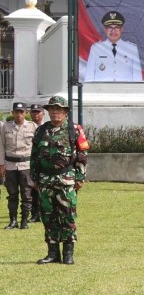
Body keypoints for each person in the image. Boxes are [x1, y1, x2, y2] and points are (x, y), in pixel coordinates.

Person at [30, 96, 89, 265]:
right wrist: (34, 177)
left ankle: (68, 253)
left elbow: (82, 155)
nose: (55, 112)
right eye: (52, 109)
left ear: (65, 112)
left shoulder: (74, 130)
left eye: (58, 109)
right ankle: (52, 253)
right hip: (45, 180)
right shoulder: (41, 131)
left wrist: (80, 176)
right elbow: (34, 156)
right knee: (48, 217)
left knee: (67, 216)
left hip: (66, 179)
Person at [0, 102, 38, 229]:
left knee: (27, 194)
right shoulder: (6, 126)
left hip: (26, 165)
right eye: (16, 112)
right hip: (10, 165)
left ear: (26, 113)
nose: (18, 114)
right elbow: (2, 147)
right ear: (12, 113)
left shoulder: (32, 127)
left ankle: (24, 221)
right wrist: (1, 164)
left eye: (21, 112)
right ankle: (13, 221)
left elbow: (37, 148)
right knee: (12, 194)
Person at [83, 11, 143, 82]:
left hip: (125, 92)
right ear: (105, 30)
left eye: (117, 28)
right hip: (102, 92)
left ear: (122, 29)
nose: (113, 31)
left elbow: (137, 78)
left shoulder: (132, 48)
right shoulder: (96, 49)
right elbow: (89, 77)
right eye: (109, 28)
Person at [27, 104, 45, 222]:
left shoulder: (47, 127)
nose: (35, 114)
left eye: (38, 112)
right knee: (32, 189)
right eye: (33, 112)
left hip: (44, 162)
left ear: (43, 113)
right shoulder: (26, 127)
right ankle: (35, 213)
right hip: (30, 161)